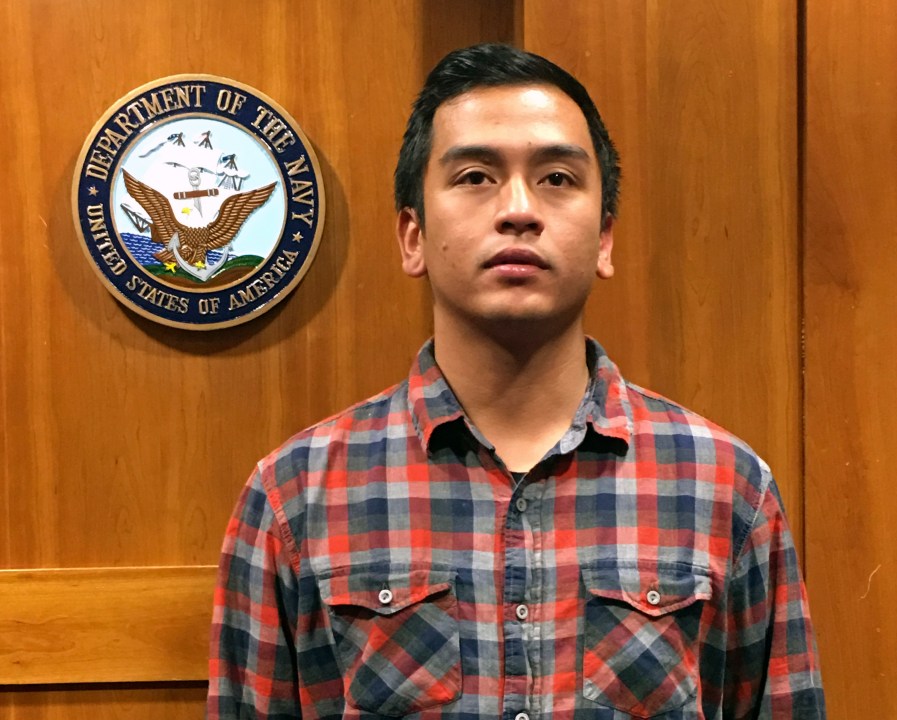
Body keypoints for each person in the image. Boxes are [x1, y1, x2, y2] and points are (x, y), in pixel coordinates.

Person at [207, 43, 825, 719]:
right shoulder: (293, 497)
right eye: (475, 176)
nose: (519, 209)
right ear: (411, 236)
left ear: (604, 239)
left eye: (557, 178)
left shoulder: (725, 489)